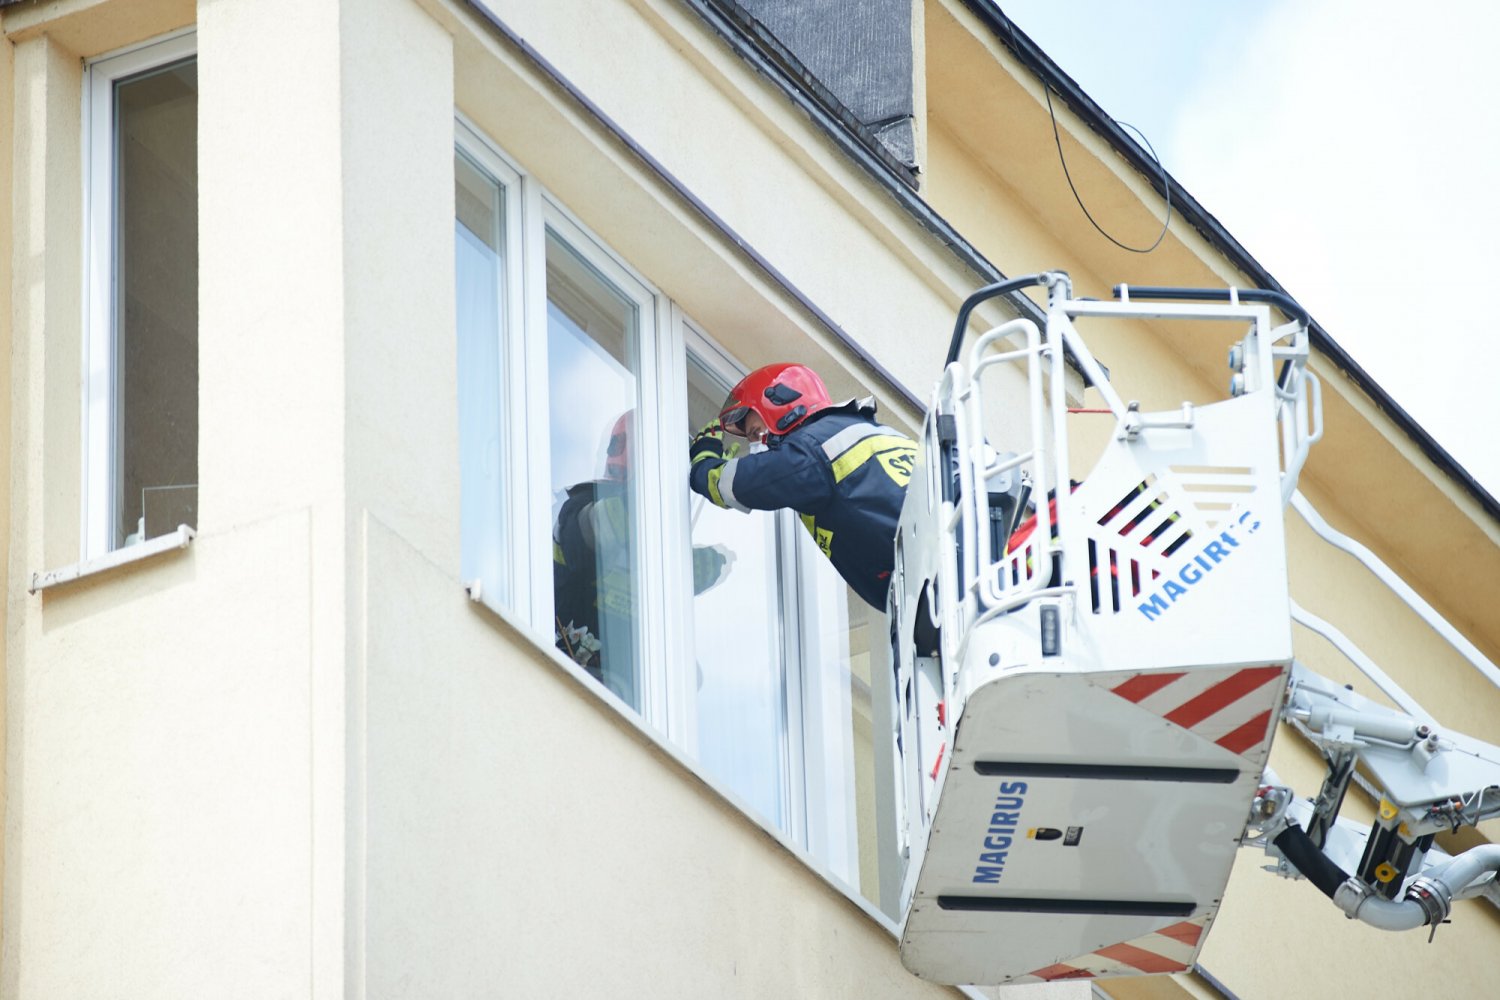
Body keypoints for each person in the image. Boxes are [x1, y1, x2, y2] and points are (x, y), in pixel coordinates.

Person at [689, 362, 916, 610]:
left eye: (755, 432)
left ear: (780, 408)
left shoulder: (810, 451)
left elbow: (733, 485)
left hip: (924, 574)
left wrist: (703, 457)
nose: (755, 445)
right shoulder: (873, 431)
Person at [556, 411, 730, 700]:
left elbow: (678, 666)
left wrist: (683, 574)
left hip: (619, 694)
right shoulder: (583, 502)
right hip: (562, 668)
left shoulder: (655, 538)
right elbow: (594, 536)